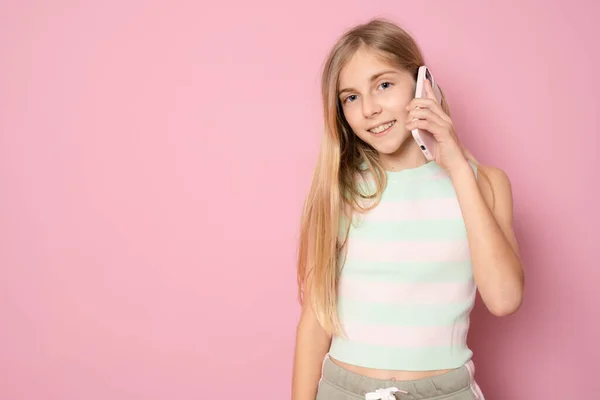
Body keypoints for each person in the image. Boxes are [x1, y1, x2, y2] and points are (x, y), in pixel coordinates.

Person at [291, 18, 524, 400]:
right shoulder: (340, 190)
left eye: (384, 85)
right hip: (342, 390)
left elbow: (504, 299)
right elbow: (315, 322)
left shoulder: (487, 184)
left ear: (422, 83)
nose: (369, 109)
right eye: (351, 97)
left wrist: (457, 167)